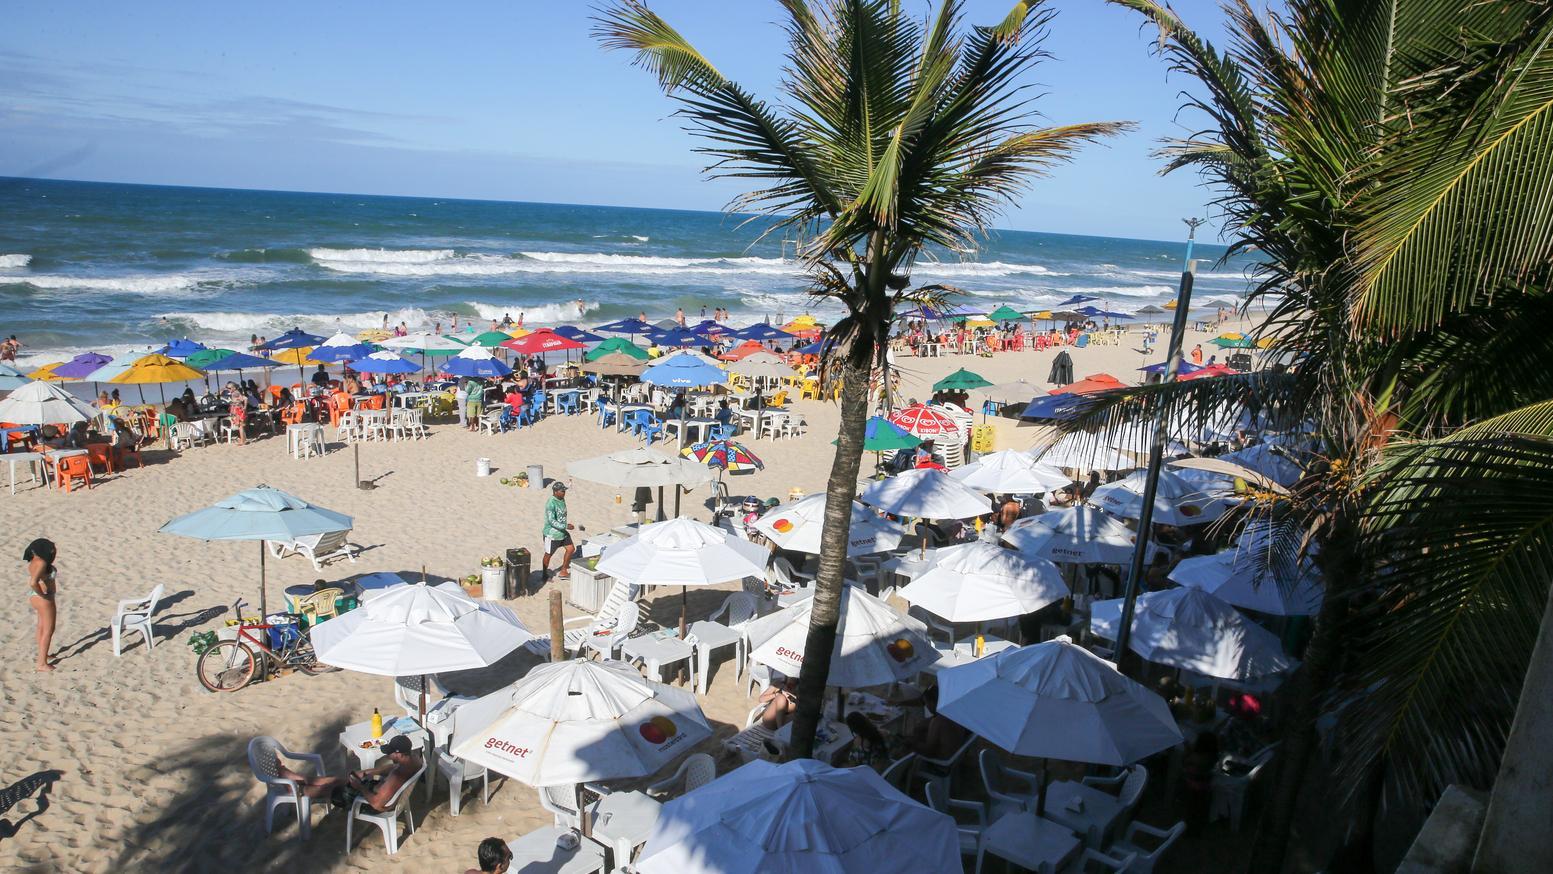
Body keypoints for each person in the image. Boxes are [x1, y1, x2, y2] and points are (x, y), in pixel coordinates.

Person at [278, 734, 422, 812]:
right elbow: (390, 770)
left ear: (399, 754)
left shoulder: (397, 777)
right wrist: (368, 772)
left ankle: (300, 790)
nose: (388, 755)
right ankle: (299, 778)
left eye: (390, 753)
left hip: (368, 801)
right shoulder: (413, 760)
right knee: (339, 780)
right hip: (375, 788)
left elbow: (377, 804)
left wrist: (360, 787)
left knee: (332, 789)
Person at [907, 686, 967, 759]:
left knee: (907, 745)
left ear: (933, 702)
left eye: (926, 703)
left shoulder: (938, 721)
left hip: (941, 761)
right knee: (919, 731)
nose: (926, 706)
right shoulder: (953, 713)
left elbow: (928, 750)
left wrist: (910, 743)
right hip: (955, 756)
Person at [25, 538, 58, 672]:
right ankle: (41, 663)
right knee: (48, 630)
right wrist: (44, 595)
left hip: (34, 597)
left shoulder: (33, 561)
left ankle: (43, 655)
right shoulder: (42, 562)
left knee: (41, 626)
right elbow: (33, 582)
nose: (53, 551)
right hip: (44, 598)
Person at [542, 482, 575, 580]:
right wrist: (565, 526)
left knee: (571, 549)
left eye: (564, 491)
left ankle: (563, 571)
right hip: (552, 534)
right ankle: (544, 575)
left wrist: (565, 527)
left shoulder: (562, 499)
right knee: (548, 554)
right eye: (562, 491)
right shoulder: (550, 503)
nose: (564, 493)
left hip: (562, 532)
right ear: (555, 492)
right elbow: (552, 521)